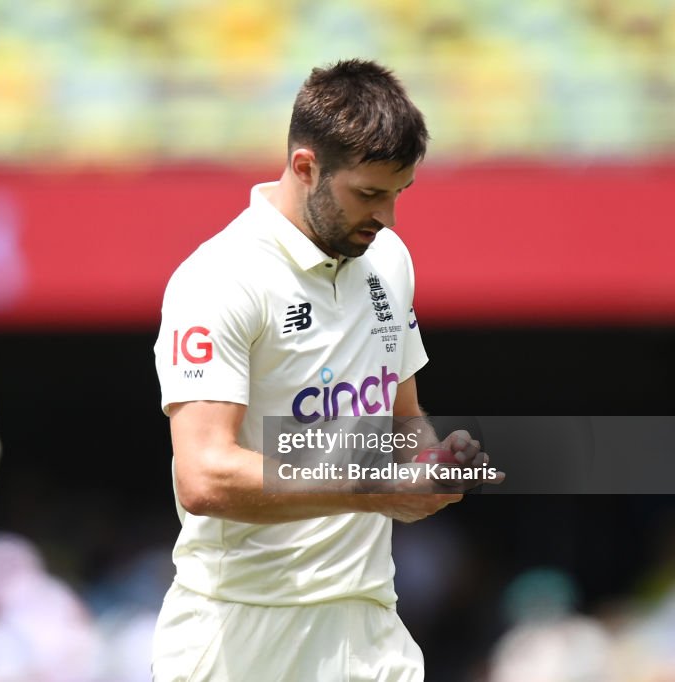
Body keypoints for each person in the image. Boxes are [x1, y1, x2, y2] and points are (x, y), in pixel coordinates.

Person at [152, 59, 502, 681]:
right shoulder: (219, 278)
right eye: (368, 194)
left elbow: (401, 422)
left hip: (369, 624)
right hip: (243, 631)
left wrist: (432, 463)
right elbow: (203, 476)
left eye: (398, 194)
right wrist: (375, 488)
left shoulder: (388, 259)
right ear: (306, 167)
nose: (387, 217)